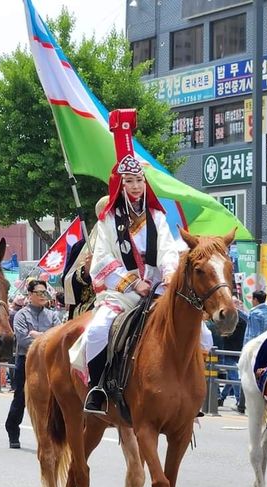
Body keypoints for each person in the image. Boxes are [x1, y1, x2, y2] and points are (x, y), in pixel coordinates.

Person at [78, 109, 179, 413]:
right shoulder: (109, 219)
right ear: (119, 186)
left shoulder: (157, 216)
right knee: (96, 331)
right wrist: (133, 282)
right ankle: (97, 388)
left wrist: (169, 277)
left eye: (139, 180)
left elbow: (168, 250)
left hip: (159, 288)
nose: (135, 186)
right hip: (122, 293)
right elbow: (103, 259)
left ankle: (186, 390)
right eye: (130, 181)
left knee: (197, 329)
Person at [5, 280, 61, 448]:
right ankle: (12, 430)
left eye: (45, 292)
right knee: (21, 397)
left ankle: (51, 436)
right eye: (39, 292)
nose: (43, 296)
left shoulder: (52, 315)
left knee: (53, 398)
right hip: (26, 360)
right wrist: (47, 336)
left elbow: (59, 337)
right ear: (30, 295)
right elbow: (22, 340)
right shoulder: (21, 315)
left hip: (49, 361)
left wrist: (38, 335)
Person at [235, 290, 267, 414]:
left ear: (255, 300)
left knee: (246, 375)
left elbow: (254, 333)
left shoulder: (254, 313)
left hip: (253, 348)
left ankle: (241, 405)